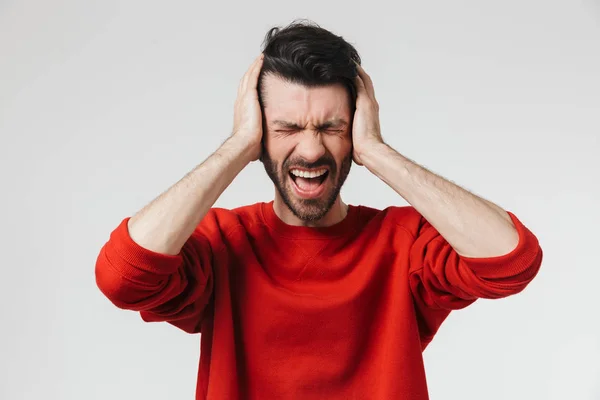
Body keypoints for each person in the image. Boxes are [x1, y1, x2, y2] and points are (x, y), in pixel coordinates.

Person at [95, 21, 543, 400]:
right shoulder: (223, 243)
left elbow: (513, 260)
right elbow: (122, 278)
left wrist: (377, 151)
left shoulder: (402, 244)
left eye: (333, 127)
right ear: (259, 134)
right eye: (286, 127)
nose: (310, 150)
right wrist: (235, 147)